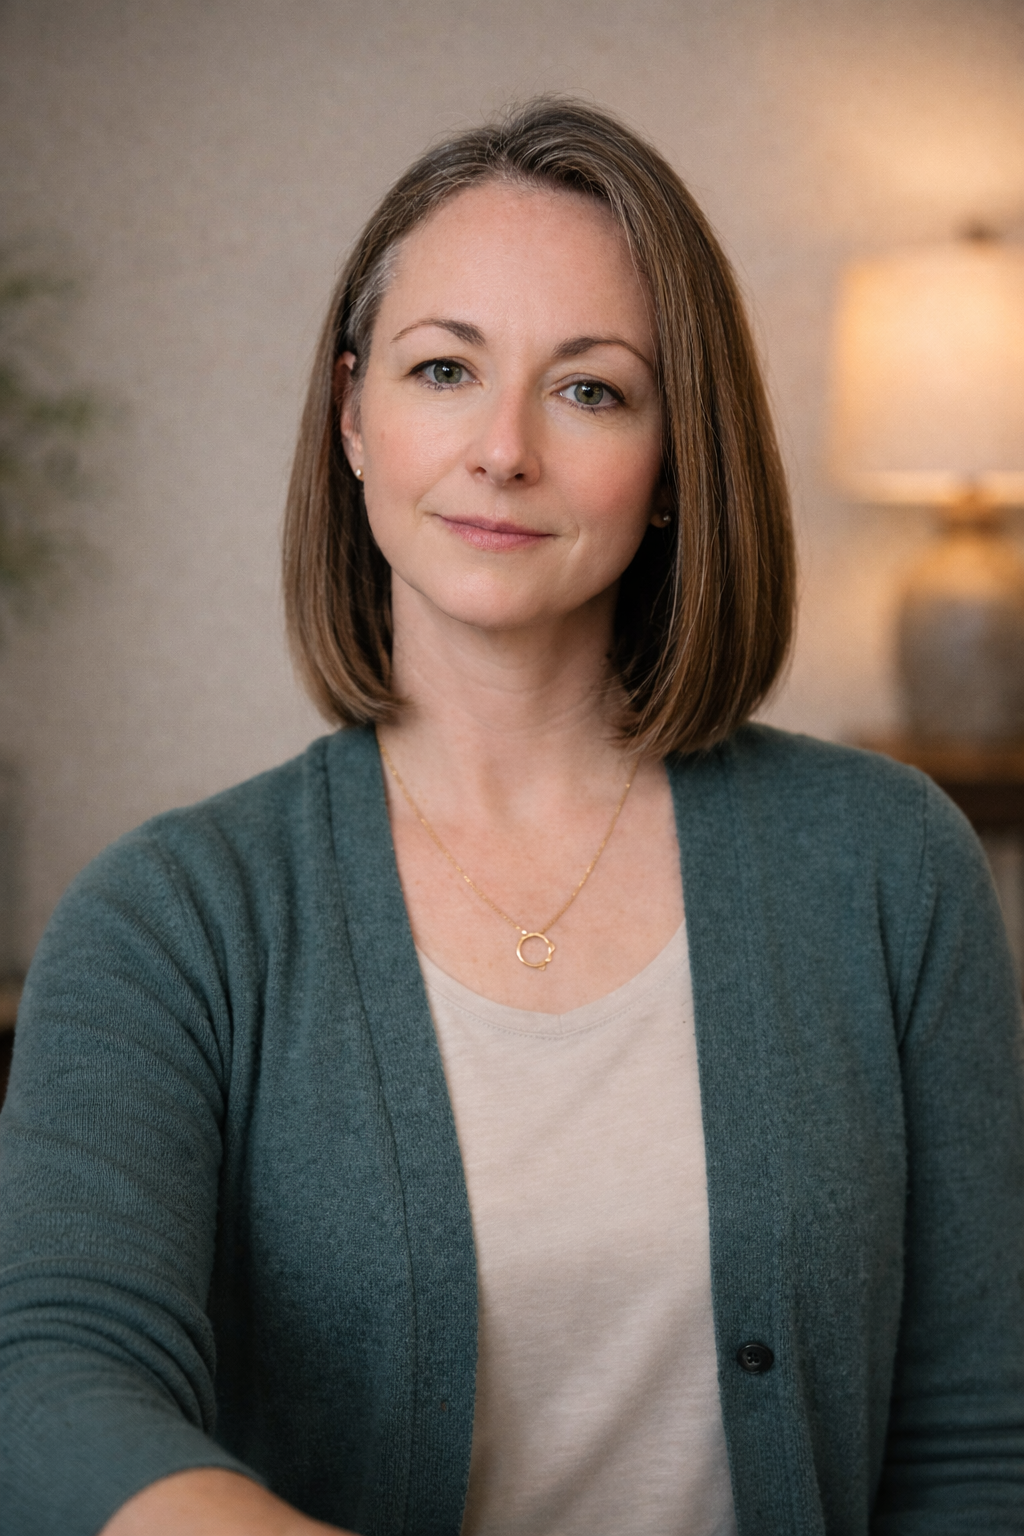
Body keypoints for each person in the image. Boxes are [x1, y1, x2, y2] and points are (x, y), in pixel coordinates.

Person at [0, 97, 1021, 1536]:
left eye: (590, 389)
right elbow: (49, 1387)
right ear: (353, 412)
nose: (503, 450)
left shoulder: (889, 866)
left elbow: (983, 1446)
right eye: (442, 370)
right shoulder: (170, 920)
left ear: (674, 465)